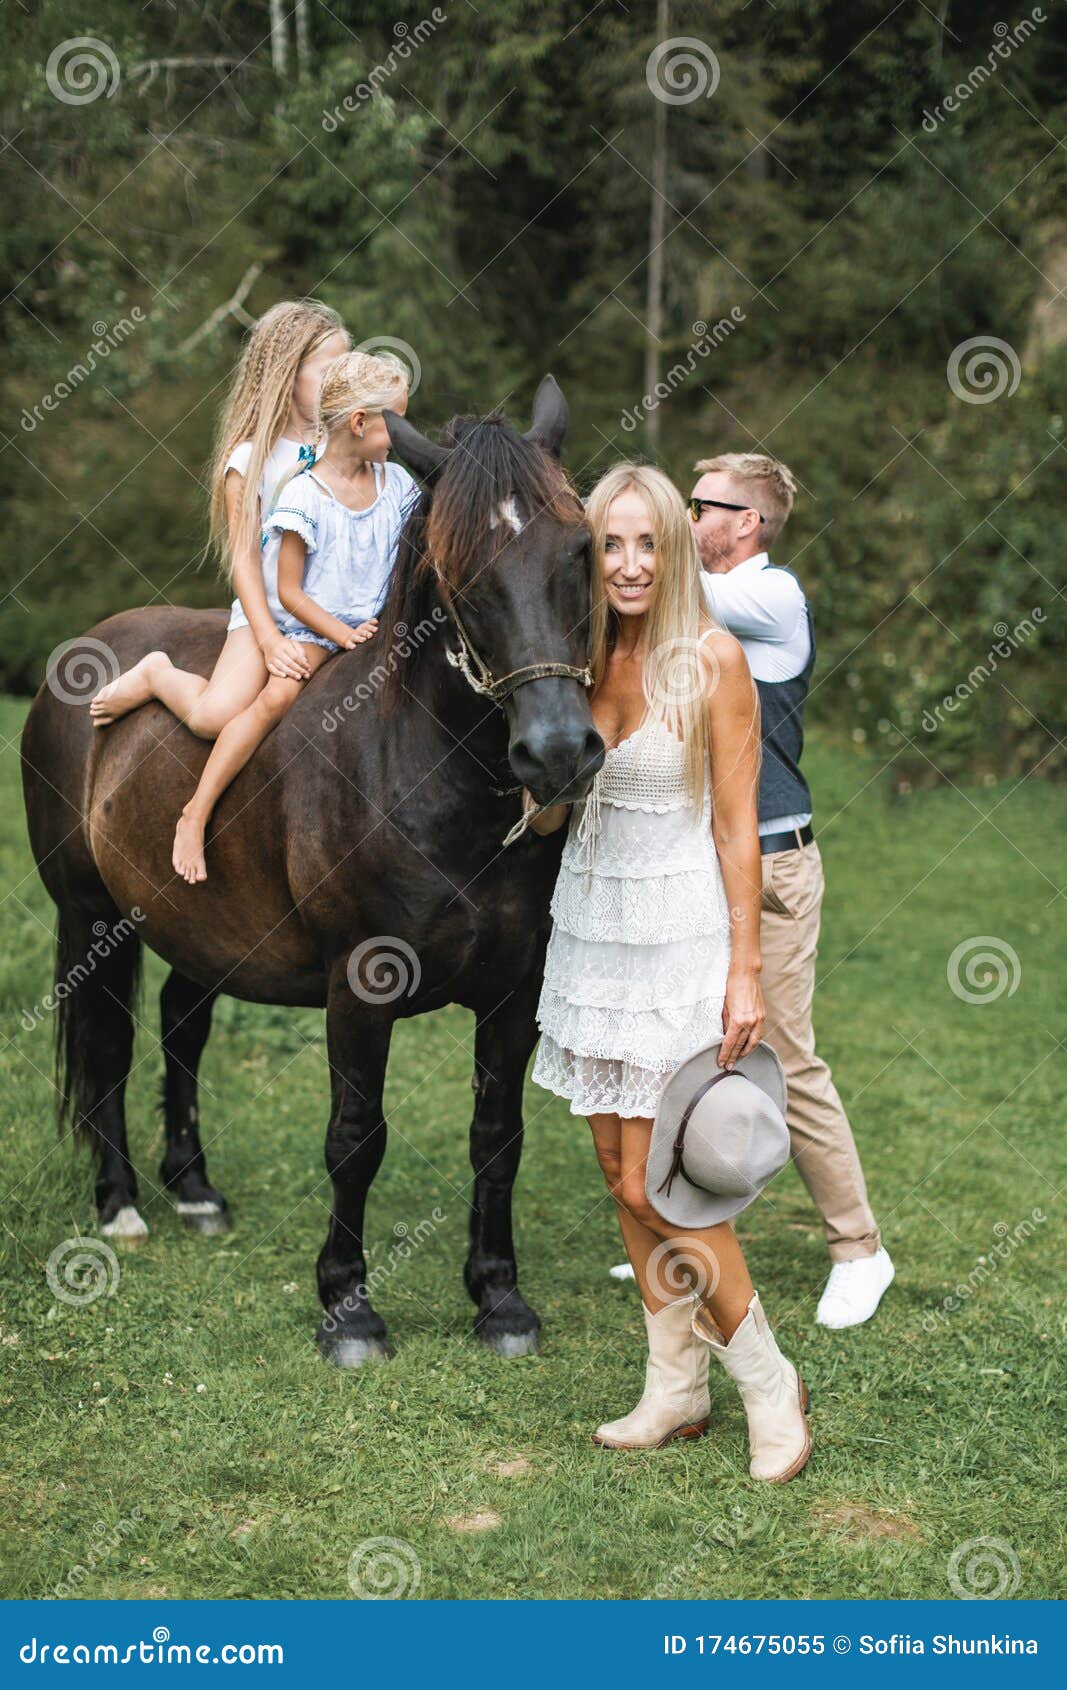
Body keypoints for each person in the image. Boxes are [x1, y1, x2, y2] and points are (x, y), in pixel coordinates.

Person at [527, 464, 811, 1482]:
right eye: (611, 544)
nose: (632, 563)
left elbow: (737, 825)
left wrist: (745, 967)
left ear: (678, 550)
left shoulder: (712, 658)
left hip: (680, 938)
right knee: (616, 1174)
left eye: (649, 543)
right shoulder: (575, 659)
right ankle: (673, 1387)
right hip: (595, 932)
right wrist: (542, 794)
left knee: (668, 1189)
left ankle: (770, 1385)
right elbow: (557, 810)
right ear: (589, 556)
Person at [688, 452, 894, 1329]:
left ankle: (859, 1250)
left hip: (771, 864)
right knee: (694, 1054)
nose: (690, 516)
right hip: (700, 860)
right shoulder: (704, 596)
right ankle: (699, 1239)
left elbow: (652, 588)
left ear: (750, 526)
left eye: (705, 506)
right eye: (688, 501)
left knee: (788, 1059)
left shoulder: (769, 597)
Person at [168, 349, 420, 881]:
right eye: (397, 420)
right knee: (275, 697)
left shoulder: (395, 483)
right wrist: (343, 635)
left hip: (379, 625)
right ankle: (196, 811)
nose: (407, 433)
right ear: (359, 422)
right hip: (320, 628)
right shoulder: (306, 496)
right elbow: (289, 593)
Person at [92, 298, 351, 731]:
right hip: (269, 614)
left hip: (336, 612)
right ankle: (158, 674)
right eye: (328, 373)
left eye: (345, 373)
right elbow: (245, 560)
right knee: (213, 717)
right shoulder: (249, 461)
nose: (340, 386)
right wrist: (268, 639)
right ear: (287, 375)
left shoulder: (348, 446)